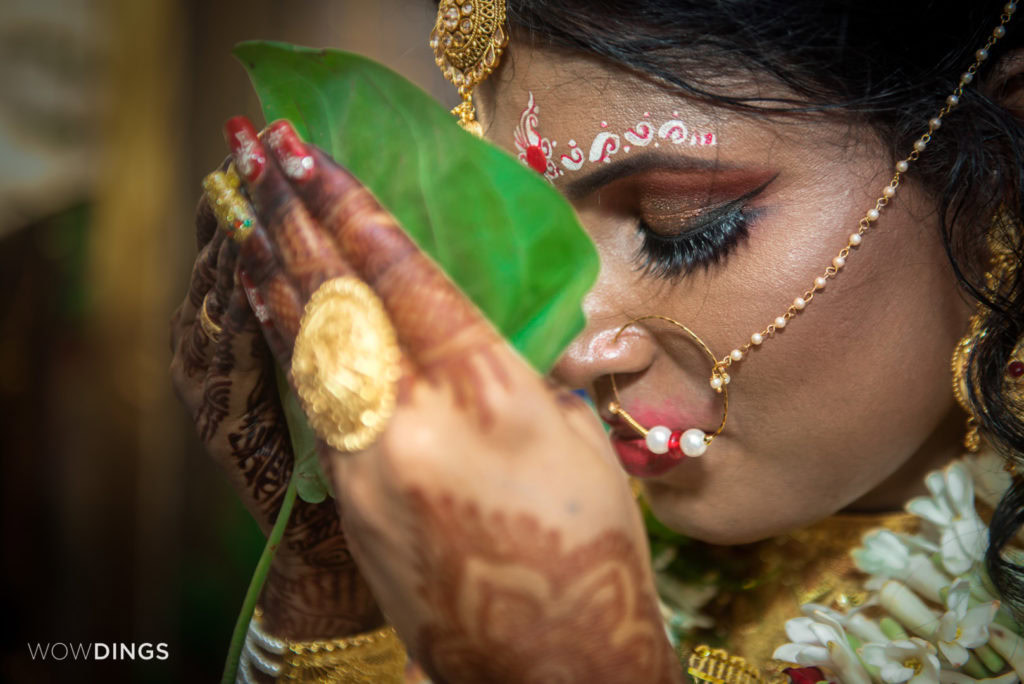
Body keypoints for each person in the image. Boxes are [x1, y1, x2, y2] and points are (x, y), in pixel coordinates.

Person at [170, 0, 1024, 681]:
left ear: (996, 171)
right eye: (529, 242)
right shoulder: (527, 543)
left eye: (679, 226)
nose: (572, 351)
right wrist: (334, 587)